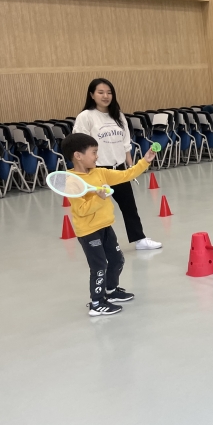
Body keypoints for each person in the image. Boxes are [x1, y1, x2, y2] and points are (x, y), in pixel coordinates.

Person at [60, 133, 156, 316]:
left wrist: (145, 161)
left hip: (105, 226)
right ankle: (96, 303)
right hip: (88, 231)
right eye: (94, 152)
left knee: (117, 259)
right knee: (99, 266)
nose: (97, 156)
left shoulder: (101, 172)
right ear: (78, 155)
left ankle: (111, 291)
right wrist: (98, 198)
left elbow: (127, 174)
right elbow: (81, 210)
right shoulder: (71, 181)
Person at [73, 78, 161, 250]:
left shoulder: (118, 115)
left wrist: (130, 165)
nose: (106, 96)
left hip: (118, 168)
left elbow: (125, 143)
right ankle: (102, 244)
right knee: (99, 210)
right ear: (92, 95)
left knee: (129, 206)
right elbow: (79, 145)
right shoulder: (86, 117)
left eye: (109, 92)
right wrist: (85, 172)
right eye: (101, 92)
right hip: (97, 171)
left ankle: (139, 239)